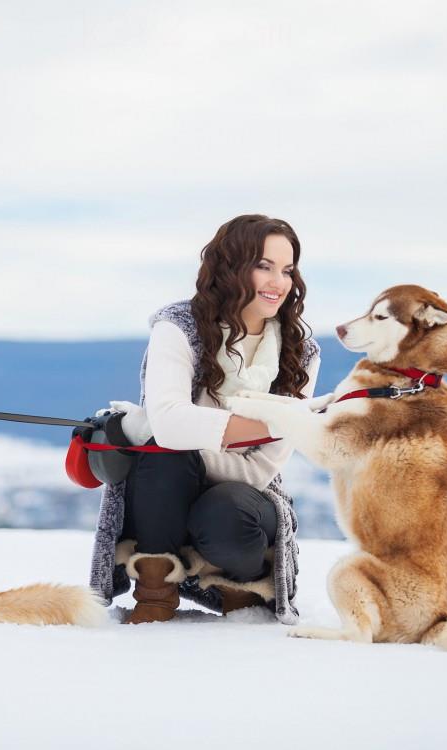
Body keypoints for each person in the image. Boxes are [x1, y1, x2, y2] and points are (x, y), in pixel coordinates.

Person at [87, 214, 322, 625]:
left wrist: (196, 441)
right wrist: (280, 422)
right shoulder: (180, 327)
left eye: (287, 270)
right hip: (165, 488)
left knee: (226, 506)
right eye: (263, 266)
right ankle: (155, 594)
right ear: (231, 265)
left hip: (244, 495)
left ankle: (239, 592)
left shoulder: (300, 351)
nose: (278, 283)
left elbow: (261, 468)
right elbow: (169, 424)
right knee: (162, 454)